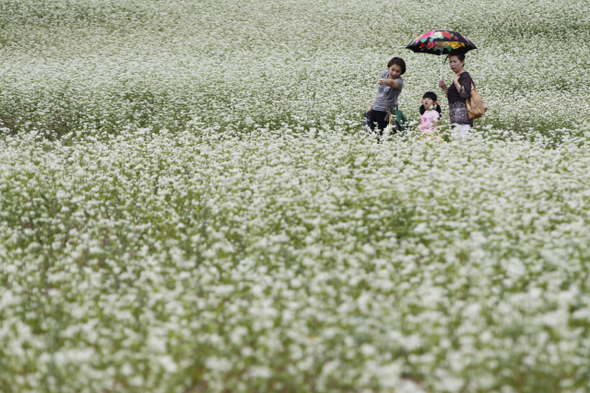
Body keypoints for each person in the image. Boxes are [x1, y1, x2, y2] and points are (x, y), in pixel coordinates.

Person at [366, 56, 406, 135]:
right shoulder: (384, 74)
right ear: (389, 67)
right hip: (375, 109)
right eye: (392, 69)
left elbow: (391, 83)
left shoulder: (399, 81)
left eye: (398, 71)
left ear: (401, 72)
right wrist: (371, 107)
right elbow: (380, 93)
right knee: (371, 135)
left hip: (385, 112)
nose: (394, 73)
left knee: (382, 136)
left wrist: (384, 81)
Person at [438, 49, 472, 138]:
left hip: (464, 120)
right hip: (455, 120)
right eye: (450, 62)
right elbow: (452, 98)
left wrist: (456, 82)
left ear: (462, 62)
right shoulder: (457, 76)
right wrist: (444, 87)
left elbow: (465, 94)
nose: (452, 64)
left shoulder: (465, 76)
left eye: (454, 61)